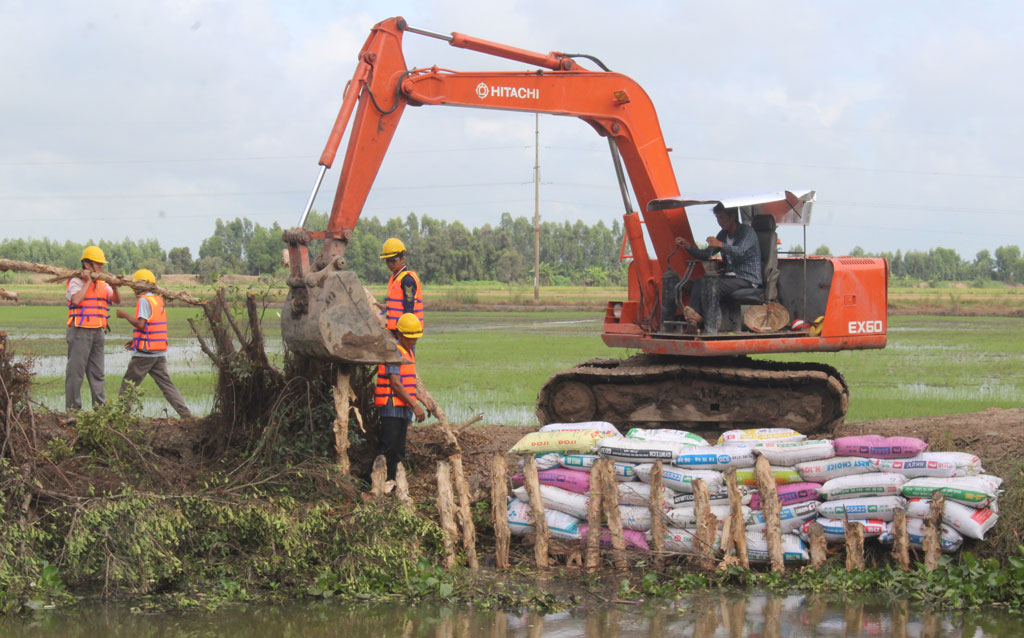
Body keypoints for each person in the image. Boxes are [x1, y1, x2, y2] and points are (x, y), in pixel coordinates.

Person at [115, 269, 192, 418]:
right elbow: (151, 326)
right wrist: (136, 341)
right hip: (158, 352)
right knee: (167, 386)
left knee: (128, 385)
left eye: (134, 285)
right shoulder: (157, 300)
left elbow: (141, 324)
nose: (133, 289)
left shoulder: (144, 300)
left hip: (145, 354)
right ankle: (186, 415)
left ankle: (120, 418)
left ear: (139, 286)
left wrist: (124, 315)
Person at [674, 204, 761, 329]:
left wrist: (720, 244)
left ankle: (712, 324)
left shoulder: (747, 232)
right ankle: (693, 318)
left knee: (713, 285)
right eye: (718, 218)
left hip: (747, 278)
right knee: (700, 281)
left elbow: (740, 251)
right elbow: (705, 254)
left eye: (722, 217)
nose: (720, 222)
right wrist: (688, 246)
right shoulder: (723, 234)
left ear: (732, 217)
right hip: (730, 277)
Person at [65, 245, 120, 410]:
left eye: (102, 264)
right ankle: (73, 411)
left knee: (98, 374)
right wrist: (88, 282)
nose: (101, 267)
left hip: (98, 332)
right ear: (87, 265)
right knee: (76, 374)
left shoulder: (103, 284)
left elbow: (116, 300)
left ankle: (100, 411)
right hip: (80, 330)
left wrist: (115, 285)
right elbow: (76, 300)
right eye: (98, 264)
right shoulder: (75, 281)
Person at [374, 312, 427, 480]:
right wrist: (415, 405)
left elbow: (408, 382)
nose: (413, 341)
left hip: (403, 408)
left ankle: (395, 482)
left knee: (399, 449)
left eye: (415, 338)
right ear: (399, 334)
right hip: (391, 408)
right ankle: (377, 482)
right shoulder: (394, 351)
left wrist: (422, 400)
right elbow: (396, 384)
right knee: (388, 447)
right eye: (409, 338)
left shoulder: (408, 352)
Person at [380, 237, 424, 334]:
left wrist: (405, 333)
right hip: (396, 330)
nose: (390, 264)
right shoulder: (395, 278)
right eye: (387, 261)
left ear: (402, 259)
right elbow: (399, 304)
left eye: (393, 260)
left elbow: (409, 307)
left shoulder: (407, 280)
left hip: (405, 331)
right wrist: (386, 307)